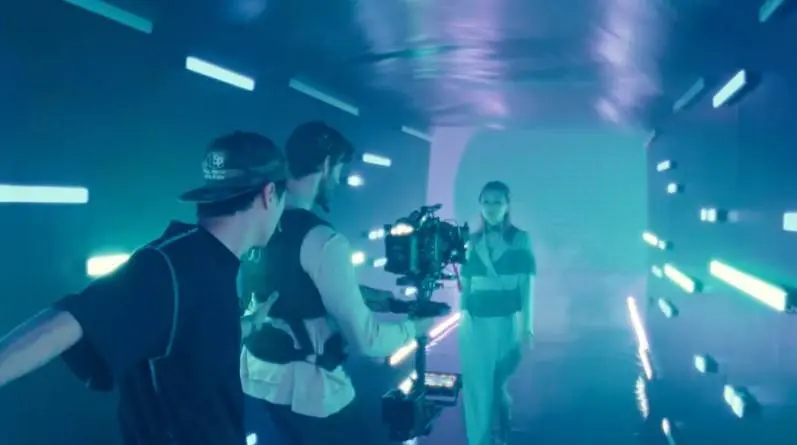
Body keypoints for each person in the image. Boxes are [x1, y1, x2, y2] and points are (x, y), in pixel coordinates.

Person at [0, 131, 288, 445]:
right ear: (269, 194)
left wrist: (249, 325)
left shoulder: (213, 265)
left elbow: (194, 341)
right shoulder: (171, 267)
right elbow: (70, 320)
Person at [238, 121, 449, 445]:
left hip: (256, 381)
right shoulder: (324, 240)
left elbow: (289, 285)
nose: (338, 180)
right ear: (325, 165)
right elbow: (369, 341)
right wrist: (415, 328)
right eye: (338, 171)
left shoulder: (259, 218)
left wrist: (377, 298)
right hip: (311, 395)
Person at [459, 180, 536, 445]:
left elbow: (527, 285)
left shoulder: (520, 239)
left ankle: (501, 435)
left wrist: (528, 326)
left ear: (507, 205)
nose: (491, 207)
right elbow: (466, 284)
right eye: (486, 202)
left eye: (497, 202)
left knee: (497, 385)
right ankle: (477, 440)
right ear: (480, 205)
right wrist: (462, 314)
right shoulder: (472, 241)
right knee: (475, 388)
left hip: (505, 322)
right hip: (474, 323)